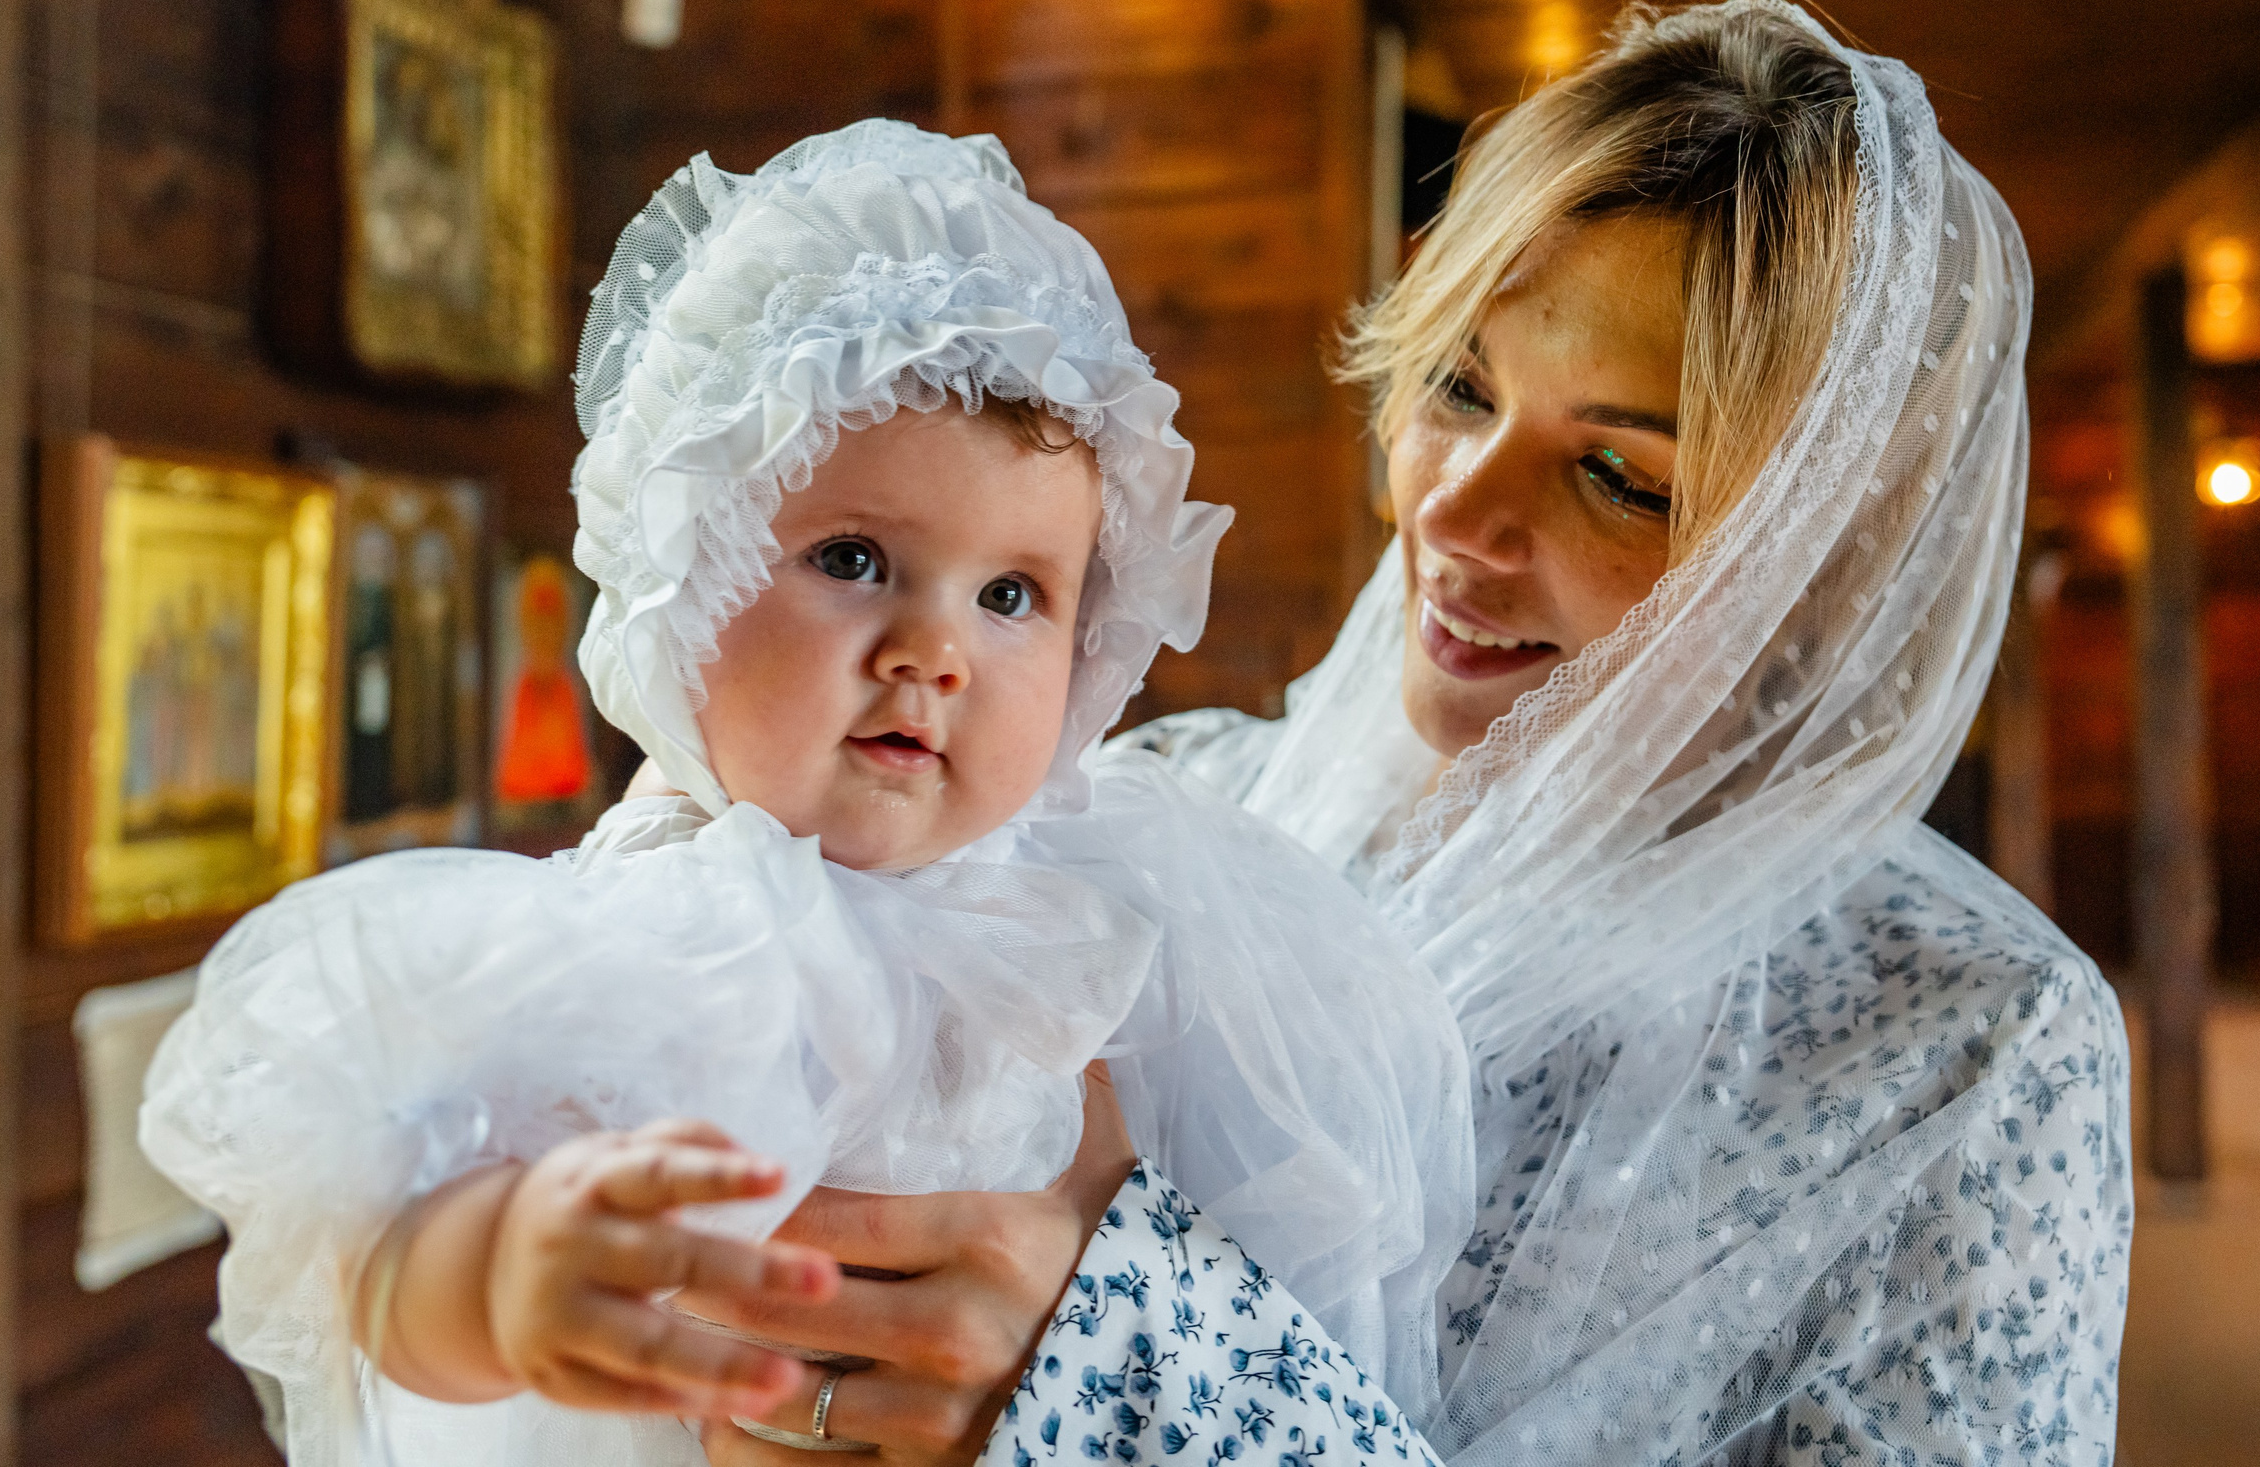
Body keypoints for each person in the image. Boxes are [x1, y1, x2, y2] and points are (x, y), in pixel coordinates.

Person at [692, 0, 2133, 1467]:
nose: (1452, 509)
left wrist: (1142, 1375)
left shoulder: (1969, 1043)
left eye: (1621, 478)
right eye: (1456, 385)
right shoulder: (1148, 807)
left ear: (1820, 563)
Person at [141, 121, 1471, 1467]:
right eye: (851, 557)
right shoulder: (663, 923)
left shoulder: (1109, 905)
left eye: (1012, 595)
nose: (933, 653)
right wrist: (495, 1273)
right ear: (689, 577)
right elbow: (368, 1248)